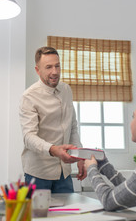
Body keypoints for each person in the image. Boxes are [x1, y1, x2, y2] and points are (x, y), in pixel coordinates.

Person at [19, 46, 86, 193]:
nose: (54, 72)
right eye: (48, 67)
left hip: (64, 173)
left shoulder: (67, 90)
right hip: (38, 174)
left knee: (67, 216)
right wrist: (53, 150)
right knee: (38, 216)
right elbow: (28, 137)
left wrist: (80, 157)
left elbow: (72, 127)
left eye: (57, 66)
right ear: (38, 70)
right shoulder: (29, 96)